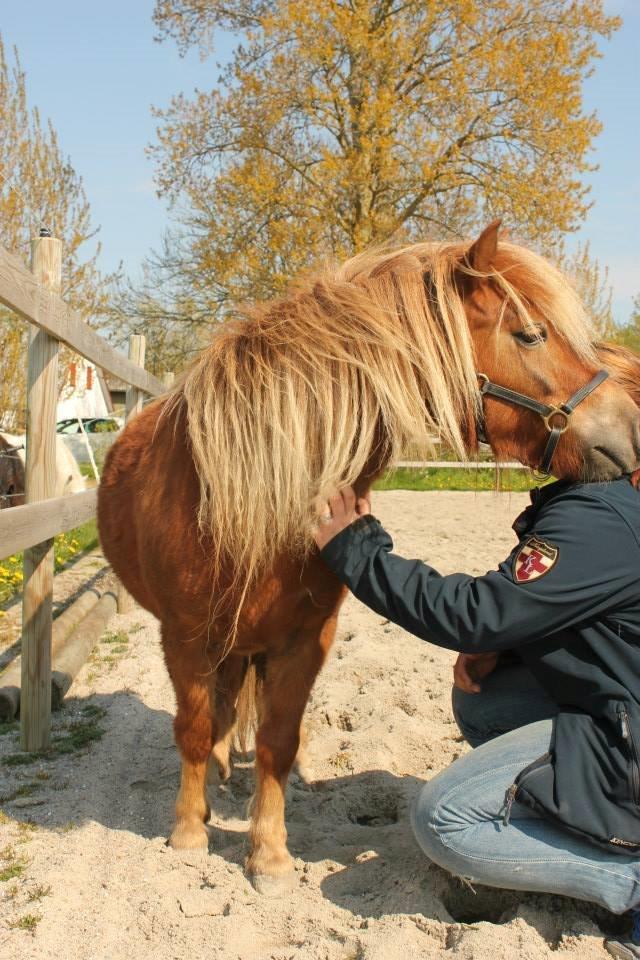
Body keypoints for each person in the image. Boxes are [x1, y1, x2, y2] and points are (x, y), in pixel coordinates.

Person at [313, 474, 640, 960]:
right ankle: (596, 819)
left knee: (446, 821)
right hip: (623, 708)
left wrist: (356, 550)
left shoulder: (610, 518)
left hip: (628, 735)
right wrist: (505, 647)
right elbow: (591, 603)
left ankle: (631, 880)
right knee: (486, 700)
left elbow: (475, 612)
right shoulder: (619, 506)